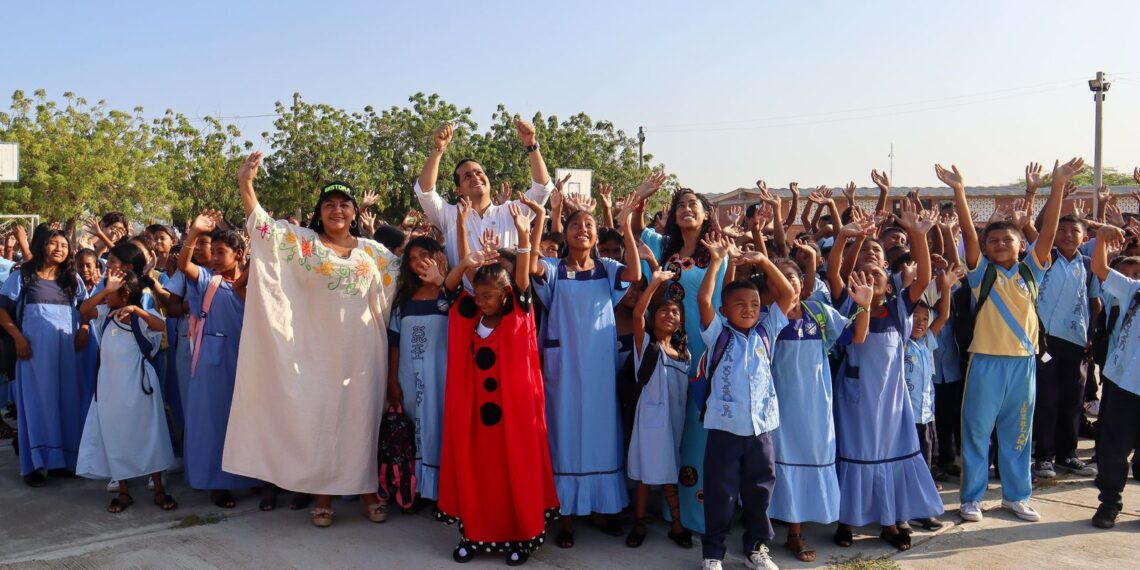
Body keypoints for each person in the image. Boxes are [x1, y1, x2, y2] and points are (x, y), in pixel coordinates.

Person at [222, 153, 400, 527]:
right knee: (321, 418)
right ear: (320, 211)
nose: (337, 210)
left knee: (362, 418)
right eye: (329, 204)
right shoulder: (305, 245)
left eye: (344, 205)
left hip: (364, 352)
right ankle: (323, 494)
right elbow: (265, 230)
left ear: (354, 212)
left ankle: (368, 491)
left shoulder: (374, 252)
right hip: (317, 350)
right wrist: (246, 184)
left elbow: (409, 276)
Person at [942, 158, 1085, 523]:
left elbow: (1049, 232)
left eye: (1008, 239)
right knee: (976, 433)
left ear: (1022, 245)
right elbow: (970, 238)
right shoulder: (980, 275)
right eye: (994, 240)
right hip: (985, 363)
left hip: (1023, 364)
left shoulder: (1032, 270)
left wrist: (1056, 187)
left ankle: (1016, 495)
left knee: (1018, 434)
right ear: (986, 249)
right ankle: (972, 497)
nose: (1000, 244)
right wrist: (959, 190)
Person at [436, 199, 558, 566]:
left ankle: (522, 535)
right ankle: (474, 535)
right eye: (480, 295)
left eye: (491, 296)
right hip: (477, 418)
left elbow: (522, 278)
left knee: (514, 475)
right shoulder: (469, 317)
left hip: (515, 417)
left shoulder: (520, 313)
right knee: (479, 477)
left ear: (505, 295)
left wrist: (524, 236)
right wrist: (464, 258)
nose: (484, 300)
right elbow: (451, 287)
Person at [828, 201, 944, 551]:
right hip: (854, 398)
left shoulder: (898, 308)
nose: (869, 279)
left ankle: (890, 523)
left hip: (892, 401)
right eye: (861, 275)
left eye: (876, 274)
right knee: (855, 453)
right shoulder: (844, 305)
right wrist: (844, 238)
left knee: (891, 455)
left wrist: (918, 235)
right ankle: (846, 520)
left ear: (888, 282)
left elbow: (923, 278)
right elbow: (834, 272)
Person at [533, 194, 642, 547]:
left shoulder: (607, 268)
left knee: (600, 432)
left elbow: (636, 274)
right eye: (575, 225)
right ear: (564, 233)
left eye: (589, 226)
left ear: (597, 237)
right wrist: (540, 219)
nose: (582, 230)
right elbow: (532, 266)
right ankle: (565, 517)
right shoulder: (553, 268)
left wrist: (625, 226)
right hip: (562, 367)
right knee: (565, 432)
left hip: (598, 365)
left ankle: (601, 509)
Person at [695, 234, 796, 570]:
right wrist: (716, 262)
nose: (749, 310)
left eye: (754, 305)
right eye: (740, 305)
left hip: (761, 429)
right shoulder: (718, 334)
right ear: (725, 311)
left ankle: (757, 547)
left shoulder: (767, 332)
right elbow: (704, 299)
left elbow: (788, 294)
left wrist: (765, 262)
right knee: (720, 494)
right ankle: (713, 554)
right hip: (724, 428)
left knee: (760, 491)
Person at [768, 251, 870, 563]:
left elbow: (857, 336)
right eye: (779, 278)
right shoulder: (765, 315)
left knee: (807, 459)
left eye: (792, 277)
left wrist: (864, 303)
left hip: (814, 404)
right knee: (773, 463)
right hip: (776, 404)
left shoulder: (818, 313)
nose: (787, 283)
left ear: (803, 283)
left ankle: (795, 533)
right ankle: (762, 531)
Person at [637, 185, 722, 538]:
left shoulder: (719, 254)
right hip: (672, 356)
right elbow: (634, 230)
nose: (687, 209)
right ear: (672, 215)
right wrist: (640, 198)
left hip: (706, 354)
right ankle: (674, 512)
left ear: (705, 215)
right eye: (681, 205)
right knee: (674, 429)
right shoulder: (666, 255)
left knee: (702, 435)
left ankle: (701, 514)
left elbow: (726, 301)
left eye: (694, 205)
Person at [75, 268, 176, 513]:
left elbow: (160, 325)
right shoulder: (104, 314)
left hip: (140, 385)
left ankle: (160, 488)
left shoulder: (142, 315)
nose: (106, 296)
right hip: (111, 387)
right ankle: (123, 491)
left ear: (126, 293)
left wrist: (136, 310)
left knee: (150, 433)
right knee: (116, 434)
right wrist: (106, 291)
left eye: (112, 292)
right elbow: (84, 311)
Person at [176, 213, 258, 508]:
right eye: (213, 252)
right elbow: (184, 265)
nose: (213, 258)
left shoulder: (252, 284)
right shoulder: (207, 280)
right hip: (211, 363)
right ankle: (215, 482)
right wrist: (194, 233)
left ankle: (249, 478)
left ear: (239, 255)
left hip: (245, 359)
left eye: (221, 253)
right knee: (213, 423)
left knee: (245, 420)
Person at [0, 228, 89, 486]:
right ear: (42, 246)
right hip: (33, 353)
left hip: (66, 354)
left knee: (66, 404)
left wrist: (83, 329)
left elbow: (87, 308)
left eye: (64, 244)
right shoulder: (22, 276)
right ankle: (33, 466)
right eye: (54, 243)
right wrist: (18, 338)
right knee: (37, 406)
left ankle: (61, 463)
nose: (60, 248)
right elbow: (3, 311)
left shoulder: (72, 280)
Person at [414, 119, 553, 269]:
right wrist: (438, 149)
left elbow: (542, 188)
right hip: (464, 293)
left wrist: (531, 144)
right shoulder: (450, 215)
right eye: (467, 176)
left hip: (508, 292)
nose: (475, 178)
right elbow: (425, 192)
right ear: (459, 190)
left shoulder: (512, 212)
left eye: (479, 173)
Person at [624, 270, 691, 549]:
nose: (669, 315)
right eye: (663, 310)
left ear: (681, 323)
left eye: (675, 312)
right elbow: (637, 316)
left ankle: (648, 522)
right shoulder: (648, 347)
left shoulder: (684, 355)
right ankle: (664, 525)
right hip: (650, 422)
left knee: (660, 471)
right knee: (647, 475)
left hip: (673, 423)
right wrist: (654, 284)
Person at [1032, 212, 1100, 479]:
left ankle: (1068, 454)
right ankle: (1044, 457)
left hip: (1077, 342)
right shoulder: (1043, 260)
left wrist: (1091, 336)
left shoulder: (1087, 264)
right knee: (1047, 399)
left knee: (1073, 400)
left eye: (1074, 230)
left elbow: (1094, 302)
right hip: (1045, 340)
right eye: (1061, 230)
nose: (1068, 235)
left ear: (1084, 237)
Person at [387, 236, 451, 507]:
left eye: (423, 255)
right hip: (409, 378)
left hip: (443, 379)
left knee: (441, 430)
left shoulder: (451, 292)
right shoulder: (404, 299)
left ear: (437, 255)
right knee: (415, 431)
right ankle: (415, 489)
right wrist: (392, 380)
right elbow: (394, 341)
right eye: (411, 259)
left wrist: (442, 283)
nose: (417, 263)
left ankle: (443, 492)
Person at [1089, 226, 1140, 529]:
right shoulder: (1134, 289)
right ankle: (1109, 503)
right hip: (1123, 384)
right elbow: (1099, 268)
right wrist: (1101, 238)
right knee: (1113, 448)